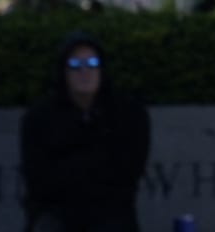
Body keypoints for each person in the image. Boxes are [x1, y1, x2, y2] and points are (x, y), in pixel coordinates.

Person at [20, 31, 151, 232]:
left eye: (91, 64)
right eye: (75, 66)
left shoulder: (128, 113)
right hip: (57, 214)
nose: (84, 72)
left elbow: (126, 173)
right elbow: (39, 180)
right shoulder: (40, 118)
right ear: (63, 72)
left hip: (111, 214)